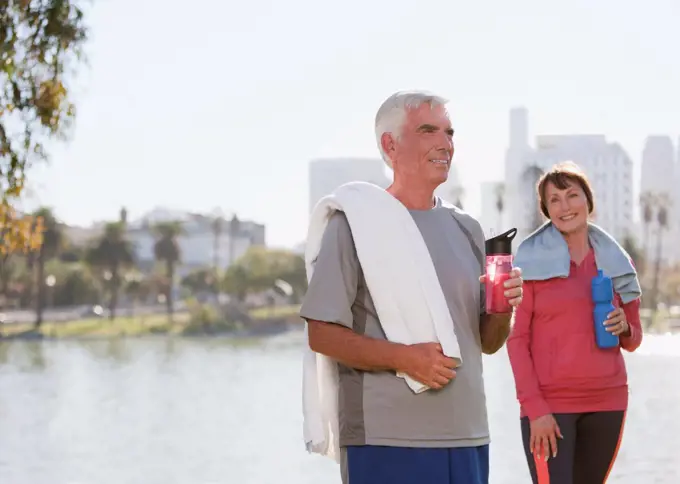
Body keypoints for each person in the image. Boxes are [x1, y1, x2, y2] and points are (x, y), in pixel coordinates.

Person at [299, 90, 524, 484]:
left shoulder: (468, 230)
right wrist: (404, 358)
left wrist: (504, 307)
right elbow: (321, 334)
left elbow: (486, 342)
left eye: (450, 132)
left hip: (468, 435)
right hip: (387, 441)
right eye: (428, 130)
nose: (445, 143)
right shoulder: (353, 223)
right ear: (390, 145)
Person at [507, 162, 643, 484]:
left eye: (572, 195)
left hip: (608, 401)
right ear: (547, 211)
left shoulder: (617, 263)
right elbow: (516, 341)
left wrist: (625, 327)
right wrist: (536, 409)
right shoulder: (529, 265)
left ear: (588, 202)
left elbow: (634, 340)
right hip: (549, 406)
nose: (565, 206)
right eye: (555, 200)